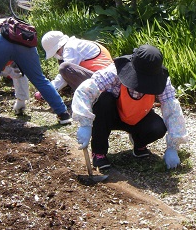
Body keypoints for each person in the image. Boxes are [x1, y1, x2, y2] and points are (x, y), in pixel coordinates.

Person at [72, 44, 187, 172]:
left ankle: (139, 144)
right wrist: (85, 123)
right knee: (104, 100)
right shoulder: (114, 71)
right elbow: (85, 90)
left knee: (158, 127)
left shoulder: (162, 80)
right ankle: (99, 153)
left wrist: (173, 147)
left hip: (139, 116)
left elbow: (172, 110)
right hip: (112, 115)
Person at [0, 21, 71, 127]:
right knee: (39, 79)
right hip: (24, 40)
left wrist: (5, 70)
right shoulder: (14, 26)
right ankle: (63, 114)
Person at [39, 30, 113, 94]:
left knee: (64, 68)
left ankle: (87, 97)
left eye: (57, 52)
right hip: (106, 79)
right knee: (62, 63)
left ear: (59, 47)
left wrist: (47, 92)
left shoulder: (70, 48)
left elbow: (63, 77)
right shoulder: (76, 44)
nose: (58, 55)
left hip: (104, 83)